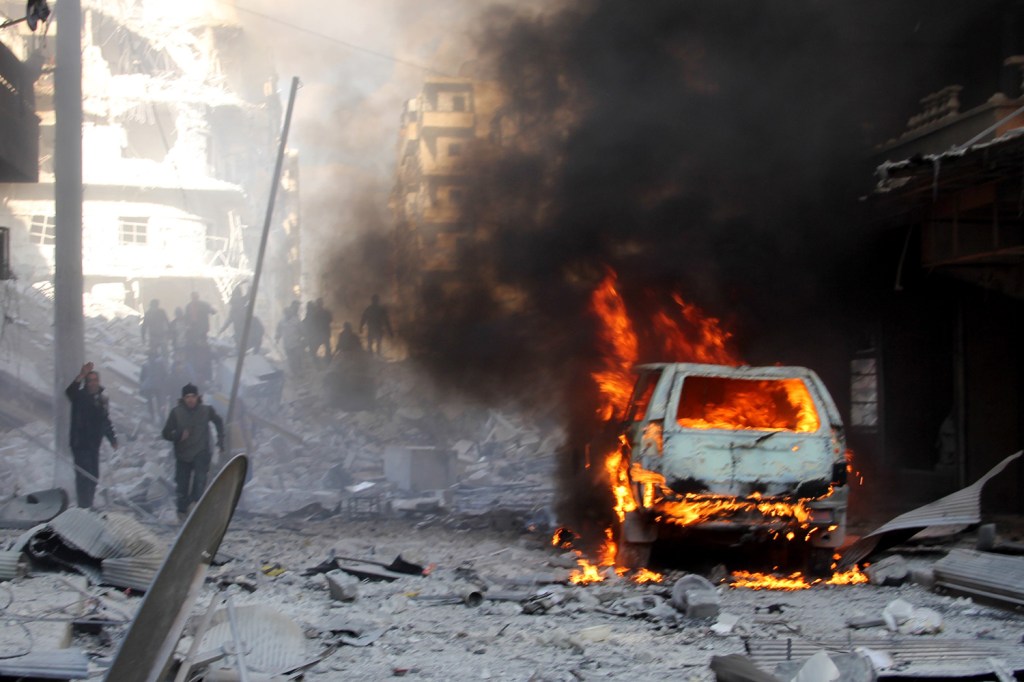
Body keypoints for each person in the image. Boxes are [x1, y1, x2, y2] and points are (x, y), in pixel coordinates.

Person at [161, 383, 224, 520]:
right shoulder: (176, 412)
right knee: (182, 485)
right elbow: (165, 433)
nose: (190, 400)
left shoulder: (206, 410)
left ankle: (196, 509)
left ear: (198, 397)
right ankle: (182, 512)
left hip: (201, 452)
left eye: (193, 396)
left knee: (200, 482)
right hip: (183, 454)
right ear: (183, 398)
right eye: (187, 397)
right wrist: (178, 435)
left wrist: (220, 439)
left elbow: (218, 421)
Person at [65, 362, 118, 508]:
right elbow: (69, 392)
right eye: (90, 381)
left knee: (94, 476)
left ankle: (89, 504)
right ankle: (84, 506)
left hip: (94, 444)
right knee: (83, 476)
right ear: (86, 383)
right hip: (80, 444)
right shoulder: (80, 397)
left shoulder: (102, 399)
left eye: (95, 380)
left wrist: (112, 438)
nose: (93, 383)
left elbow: (105, 420)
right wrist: (81, 375)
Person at [275, 302, 305, 373]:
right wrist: (277, 338)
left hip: (296, 344)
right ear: (284, 314)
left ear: (290, 313)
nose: (287, 314)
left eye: (288, 313)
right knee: (290, 360)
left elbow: (302, 330)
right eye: (286, 313)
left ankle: (300, 372)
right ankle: (294, 372)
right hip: (287, 345)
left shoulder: (296, 321)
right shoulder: (281, 322)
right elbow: (278, 331)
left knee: (298, 359)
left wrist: (303, 338)